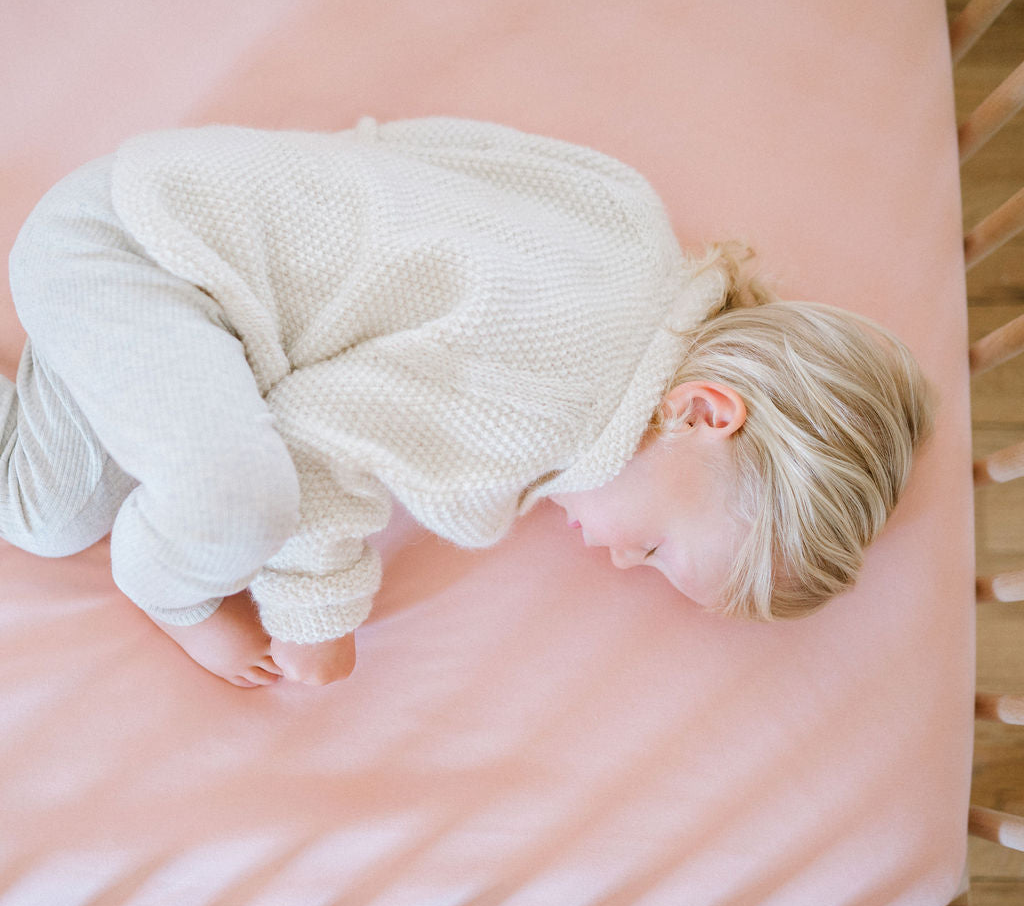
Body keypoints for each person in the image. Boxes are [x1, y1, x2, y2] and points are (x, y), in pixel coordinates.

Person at [0, 117, 933, 689]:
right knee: (219, 496)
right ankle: (165, 595)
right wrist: (315, 620)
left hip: (169, 203)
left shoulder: (633, 233)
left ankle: (70, 357)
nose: (616, 562)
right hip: (148, 256)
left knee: (64, 493)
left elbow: (471, 154)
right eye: (653, 549)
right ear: (704, 412)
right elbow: (314, 441)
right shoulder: (549, 407)